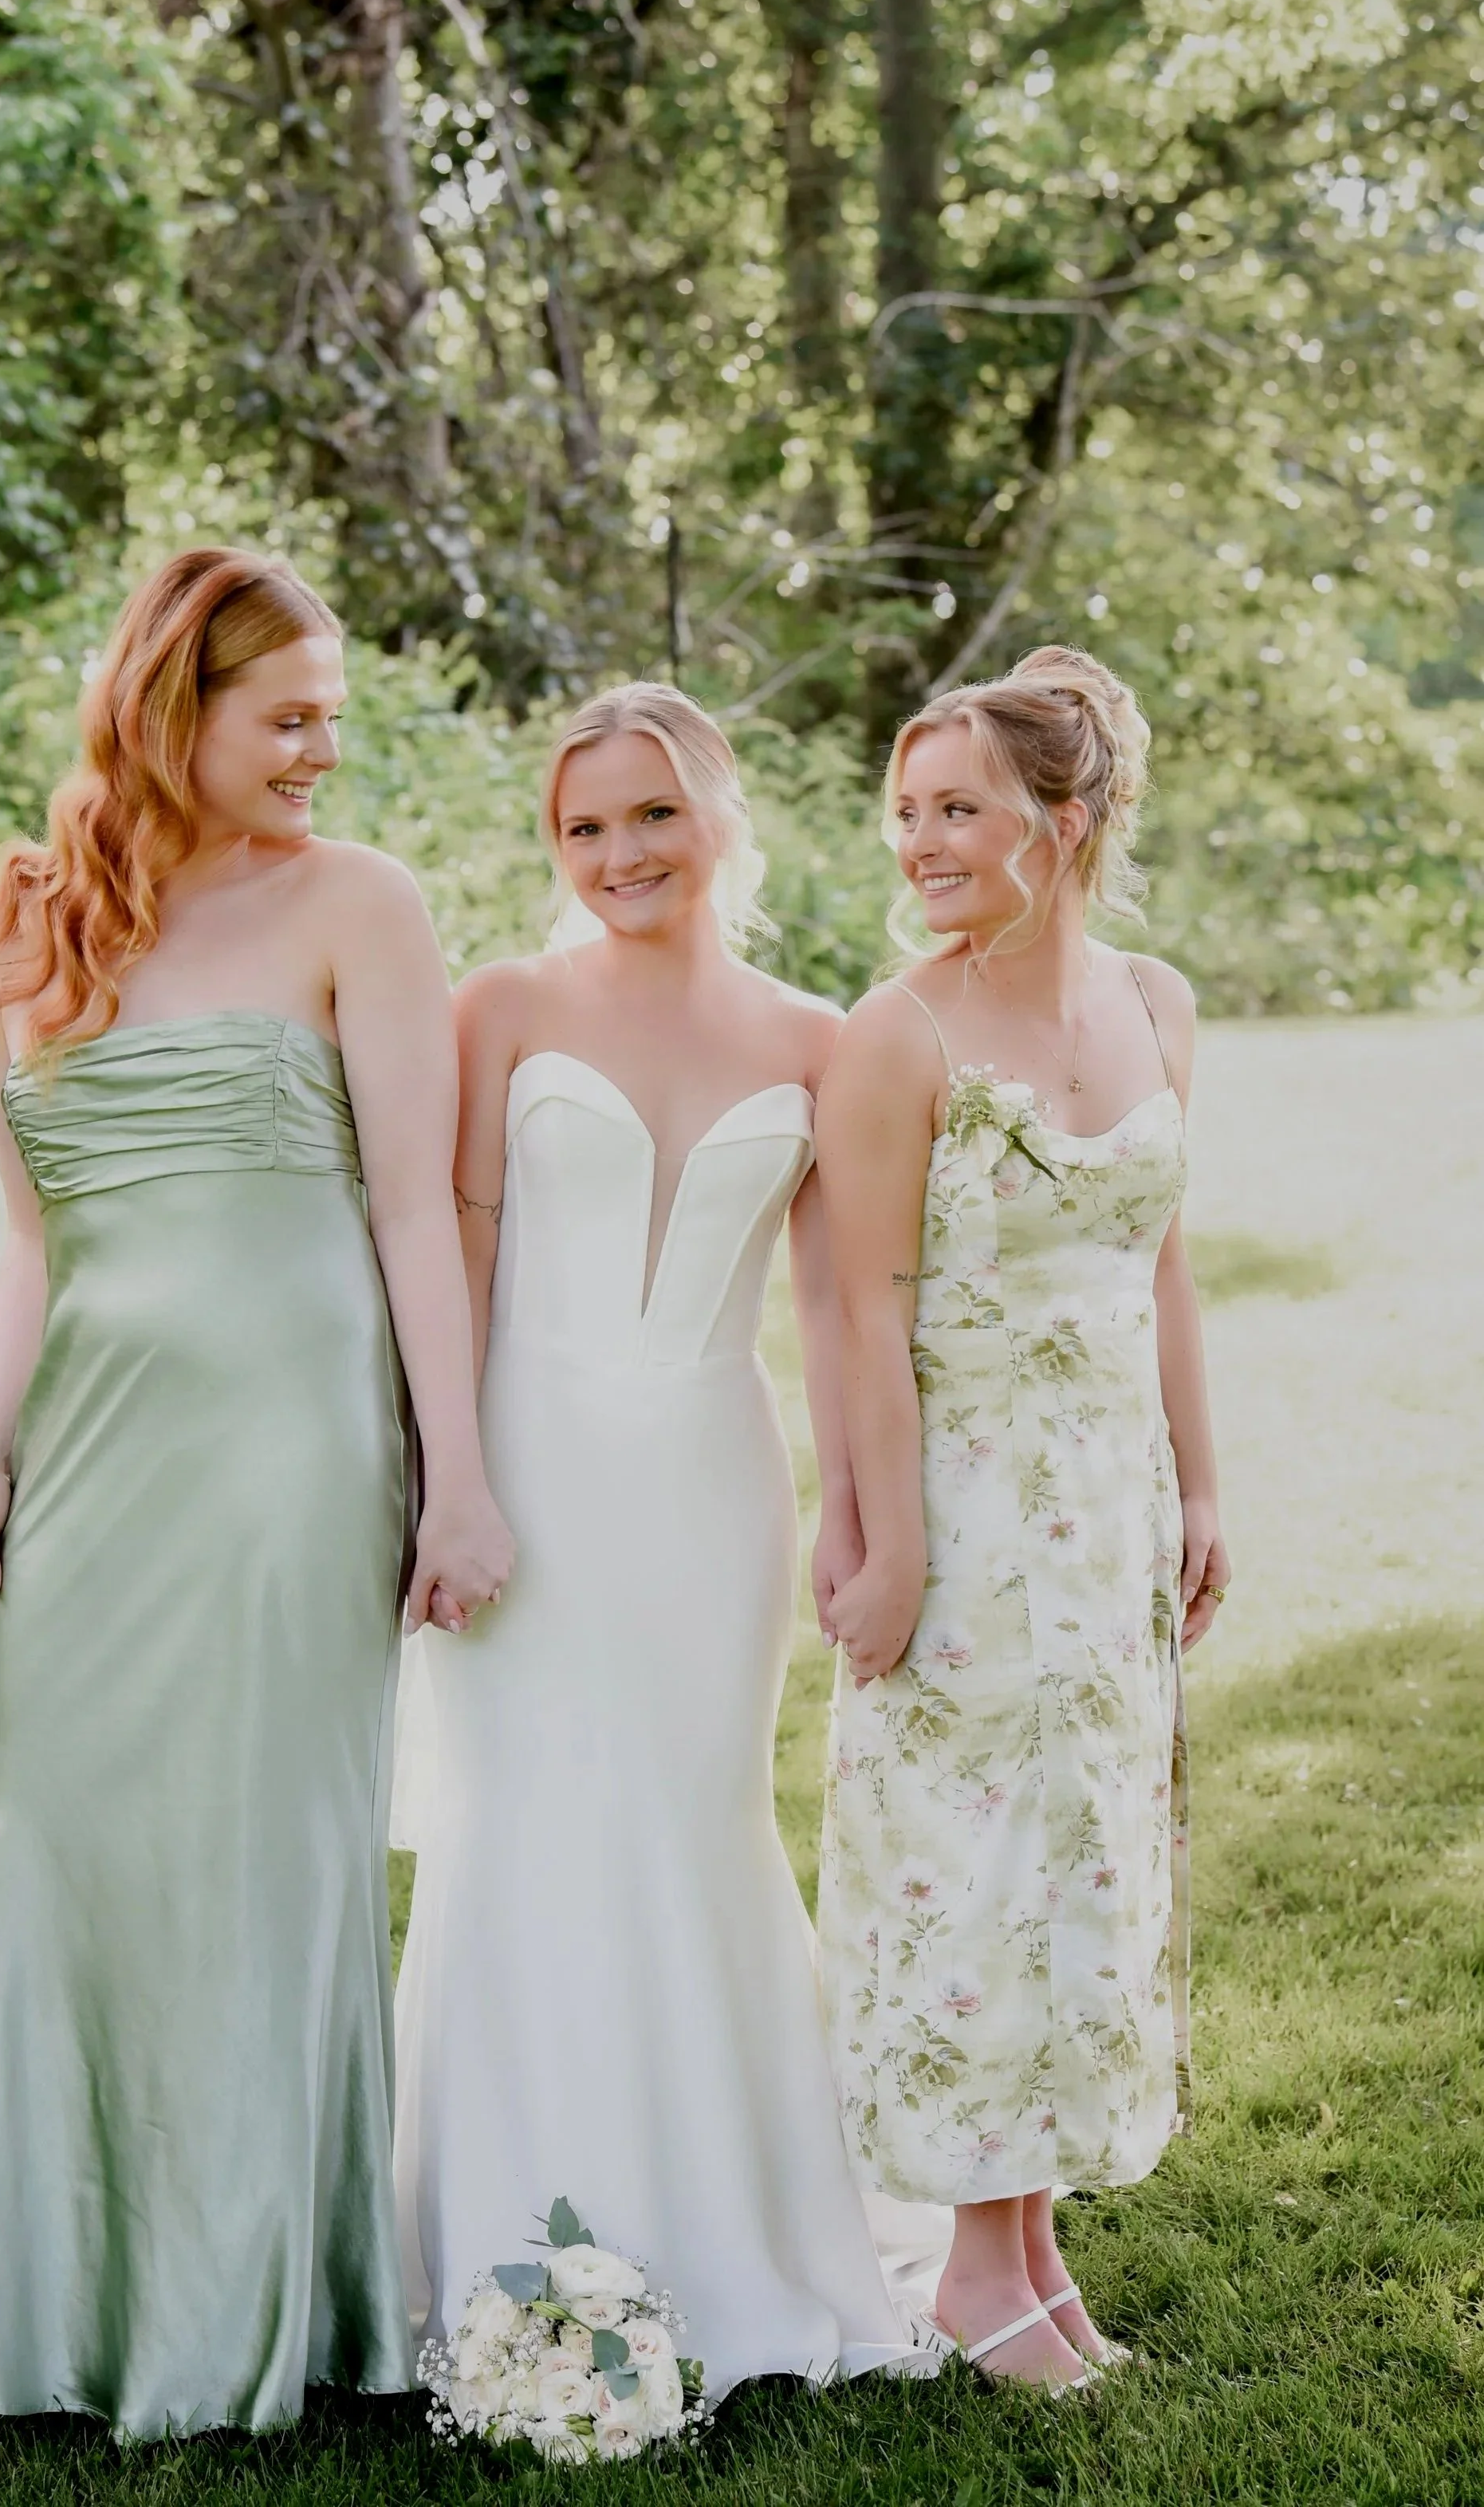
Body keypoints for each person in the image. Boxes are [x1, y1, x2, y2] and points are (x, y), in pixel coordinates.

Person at [0, 546, 512, 2439]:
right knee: (65, 1856)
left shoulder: (360, 903)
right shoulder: (13, 930)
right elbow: (32, 1238)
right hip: (91, 1458)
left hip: (295, 1451)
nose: (321, 752)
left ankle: (305, 2326)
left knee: (271, 1867)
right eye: (290, 717)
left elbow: (415, 1211)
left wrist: (457, 1477)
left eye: (330, 719)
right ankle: (37, 2349)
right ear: (170, 707)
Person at [392, 681, 916, 2397]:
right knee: (528, 1831)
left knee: (696, 1837)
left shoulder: (817, 1039)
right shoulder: (502, 1006)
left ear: (720, 816)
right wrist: (447, 1477)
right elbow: (451, 1261)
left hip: (710, 1487)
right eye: (585, 826)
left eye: (651, 815)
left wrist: (866, 1520)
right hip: (526, 1474)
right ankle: (506, 2249)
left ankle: (722, 2240)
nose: (620, 853)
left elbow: (844, 1314)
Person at [814, 647, 1228, 2389]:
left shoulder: (1157, 1001)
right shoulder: (894, 1035)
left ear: (1064, 823)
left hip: (1112, 1505)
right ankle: (977, 2275)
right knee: (972, 1867)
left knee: (1087, 1863)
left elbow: (1164, 1259)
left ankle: (1034, 2249)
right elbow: (853, 1309)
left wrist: (1203, 1480)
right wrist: (887, 1545)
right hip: (969, 1509)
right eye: (908, 812)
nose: (921, 841)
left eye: (958, 807)